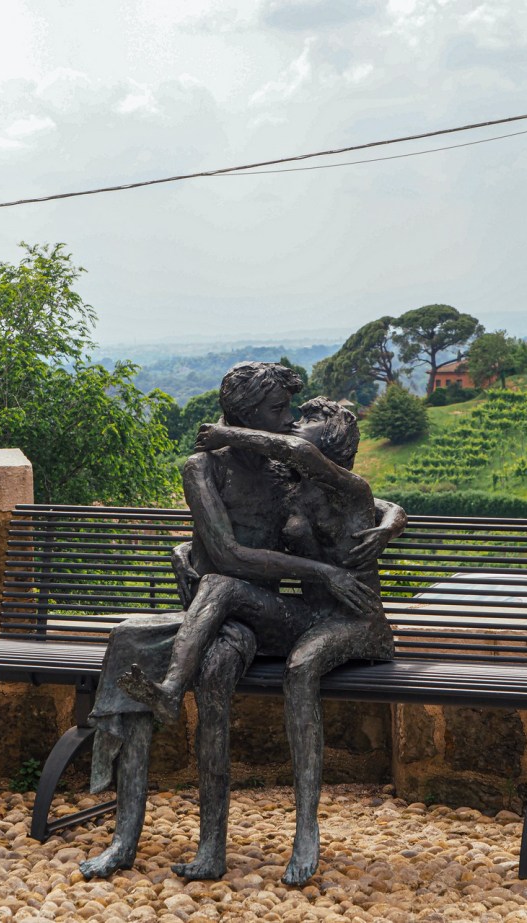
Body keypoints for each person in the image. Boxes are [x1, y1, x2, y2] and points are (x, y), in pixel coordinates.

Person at [80, 362, 404, 885]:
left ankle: (211, 849)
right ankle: (123, 839)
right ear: (247, 414)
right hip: (208, 609)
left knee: (213, 668)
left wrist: (391, 521)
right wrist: (185, 550)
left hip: (254, 613)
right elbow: (227, 551)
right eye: (278, 410)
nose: (288, 420)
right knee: (128, 644)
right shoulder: (203, 468)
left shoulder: (282, 471)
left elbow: (350, 490)